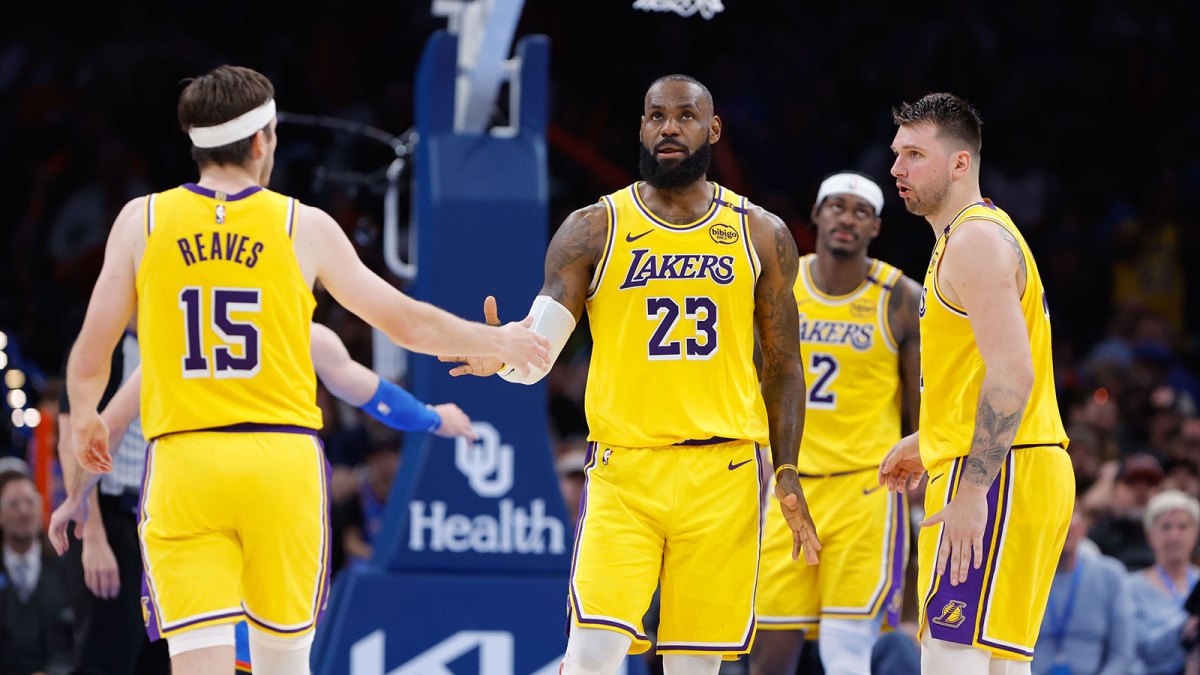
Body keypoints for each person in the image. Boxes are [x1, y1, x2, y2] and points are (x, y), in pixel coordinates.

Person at [45, 64, 548, 675]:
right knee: (282, 665)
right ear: (265, 140)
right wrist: (494, 340)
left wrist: (84, 429)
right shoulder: (301, 226)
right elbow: (404, 321)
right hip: (279, 468)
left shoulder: (141, 221)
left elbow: (89, 358)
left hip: (184, 465)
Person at [443, 74, 820, 674]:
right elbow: (542, 338)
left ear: (713, 129)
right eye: (656, 116)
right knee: (591, 656)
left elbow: (782, 366)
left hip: (723, 474)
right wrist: (506, 359)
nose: (670, 128)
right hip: (626, 472)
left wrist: (790, 469)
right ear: (642, 125)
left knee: (695, 666)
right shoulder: (594, 227)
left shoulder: (761, 233)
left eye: (686, 116)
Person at [878, 92, 1074, 674]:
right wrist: (932, 437)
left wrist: (971, 492)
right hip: (1007, 464)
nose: (896, 169)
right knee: (994, 667)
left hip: (997, 472)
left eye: (914, 154)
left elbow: (1013, 375)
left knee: (950, 661)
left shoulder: (974, 242)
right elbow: (984, 370)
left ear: (960, 163)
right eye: (896, 154)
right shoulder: (966, 237)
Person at [752, 171, 922, 675]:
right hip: (789, 485)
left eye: (861, 212)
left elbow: (921, 405)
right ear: (818, 215)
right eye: (837, 207)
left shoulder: (900, 297)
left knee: (846, 652)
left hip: (865, 492)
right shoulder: (781, 285)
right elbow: (755, 379)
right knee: (770, 656)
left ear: (874, 228)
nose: (847, 218)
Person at [1030, 507, 1134, 675]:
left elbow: (1122, 654)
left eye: (1071, 516)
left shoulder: (1110, 576)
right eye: (1057, 515)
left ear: (1084, 527)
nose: (1064, 524)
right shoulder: (1027, 577)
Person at [0, 472, 82, 675]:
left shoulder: (66, 568)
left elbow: (77, 637)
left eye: (30, 502)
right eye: (13, 504)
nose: (24, 511)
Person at [1127, 489, 1200, 675]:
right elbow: (1142, 649)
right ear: (1150, 535)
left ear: (1196, 534)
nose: (1174, 536)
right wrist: (1187, 623)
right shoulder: (1131, 587)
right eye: (1166, 527)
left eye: (1183, 527)